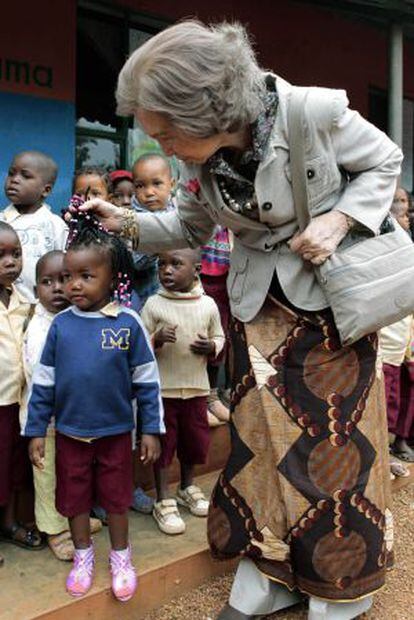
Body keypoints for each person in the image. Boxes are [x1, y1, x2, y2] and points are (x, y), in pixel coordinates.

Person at [76, 20, 402, 620]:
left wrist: (339, 222)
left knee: (332, 452)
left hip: (330, 313)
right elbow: (185, 230)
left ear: (204, 110)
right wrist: (118, 220)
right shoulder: (202, 163)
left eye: (167, 133)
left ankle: (341, 587)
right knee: (259, 450)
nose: (164, 148)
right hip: (258, 315)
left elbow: (386, 163)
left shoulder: (313, 113)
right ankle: (273, 573)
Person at [23, 208, 164, 601]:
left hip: (116, 434)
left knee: (117, 499)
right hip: (69, 434)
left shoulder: (127, 323)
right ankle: (83, 555)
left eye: (87, 276)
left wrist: (150, 429)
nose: (74, 285)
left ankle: (121, 556)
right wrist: (36, 430)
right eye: (68, 277)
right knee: (75, 499)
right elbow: (44, 384)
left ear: (113, 275)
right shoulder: (61, 326)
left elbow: (147, 382)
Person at [20, 251, 103, 560]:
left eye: (64, 279)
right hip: (46, 420)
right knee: (47, 475)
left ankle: (71, 519)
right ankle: (54, 529)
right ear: (35, 288)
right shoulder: (41, 327)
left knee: (71, 472)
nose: (57, 288)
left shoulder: (76, 319)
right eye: (47, 282)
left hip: (74, 418)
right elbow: (38, 375)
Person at [141, 248, 224, 534]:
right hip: (163, 391)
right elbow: (140, 345)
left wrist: (212, 347)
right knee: (164, 445)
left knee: (193, 442)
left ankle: (187, 486)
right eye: (161, 263)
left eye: (176, 264)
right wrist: (156, 338)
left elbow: (220, 336)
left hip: (197, 389)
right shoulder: (153, 304)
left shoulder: (208, 305)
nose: (166, 270)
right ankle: (163, 497)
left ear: (197, 269)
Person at [0, 222, 44, 564]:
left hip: (18, 401)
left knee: (14, 467)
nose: (10, 261)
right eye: (0, 255)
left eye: (16, 254)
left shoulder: (25, 301)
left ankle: (11, 522)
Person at [1, 150, 68, 302]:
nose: (14, 180)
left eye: (25, 176)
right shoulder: (2, 221)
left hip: (42, 309)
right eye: (11, 173)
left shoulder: (55, 225)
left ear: (46, 190)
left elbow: (66, 268)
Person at [131, 153, 175, 305]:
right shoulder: (131, 220)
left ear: (172, 184)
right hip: (149, 297)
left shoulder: (181, 213)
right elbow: (135, 263)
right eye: (140, 186)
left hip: (181, 293)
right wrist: (158, 244)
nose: (149, 192)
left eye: (157, 183)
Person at [200, 226, 231, 425]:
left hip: (227, 276)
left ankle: (211, 396)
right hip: (198, 274)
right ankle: (198, 400)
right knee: (198, 339)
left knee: (220, 337)